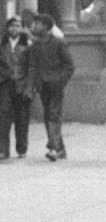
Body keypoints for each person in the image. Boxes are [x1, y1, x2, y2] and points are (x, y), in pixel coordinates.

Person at [30, 13, 74, 161]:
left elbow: (70, 66)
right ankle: (60, 148)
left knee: (54, 115)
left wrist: (60, 81)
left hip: (55, 85)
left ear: (46, 26)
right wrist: (33, 85)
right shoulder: (36, 45)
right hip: (42, 85)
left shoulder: (58, 43)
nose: (35, 26)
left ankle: (53, 148)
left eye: (38, 23)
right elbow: (33, 67)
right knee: (48, 115)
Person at [0, 17, 34, 159]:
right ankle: (3, 150)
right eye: (12, 26)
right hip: (5, 83)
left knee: (22, 118)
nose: (14, 28)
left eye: (17, 25)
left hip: (22, 84)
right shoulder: (2, 43)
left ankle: (21, 147)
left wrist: (30, 86)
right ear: (7, 28)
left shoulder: (28, 44)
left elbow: (32, 66)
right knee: (3, 117)